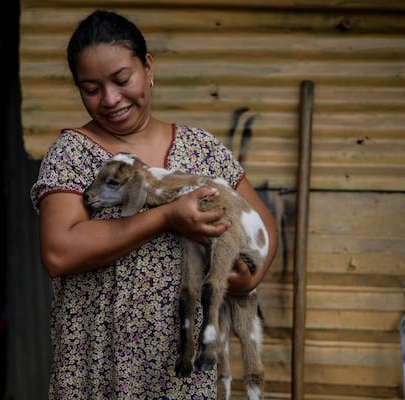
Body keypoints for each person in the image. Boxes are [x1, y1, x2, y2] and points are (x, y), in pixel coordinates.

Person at [30, 9, 279, 399]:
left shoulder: (202, 149)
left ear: (147, 66)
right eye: (90, 88)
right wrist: (165, 218)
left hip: (183, 370)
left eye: (121, 79)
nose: (110, 99)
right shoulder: (73, 154)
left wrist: (251, 274)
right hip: (102, 363)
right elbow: (59, 252)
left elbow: (262, 224)